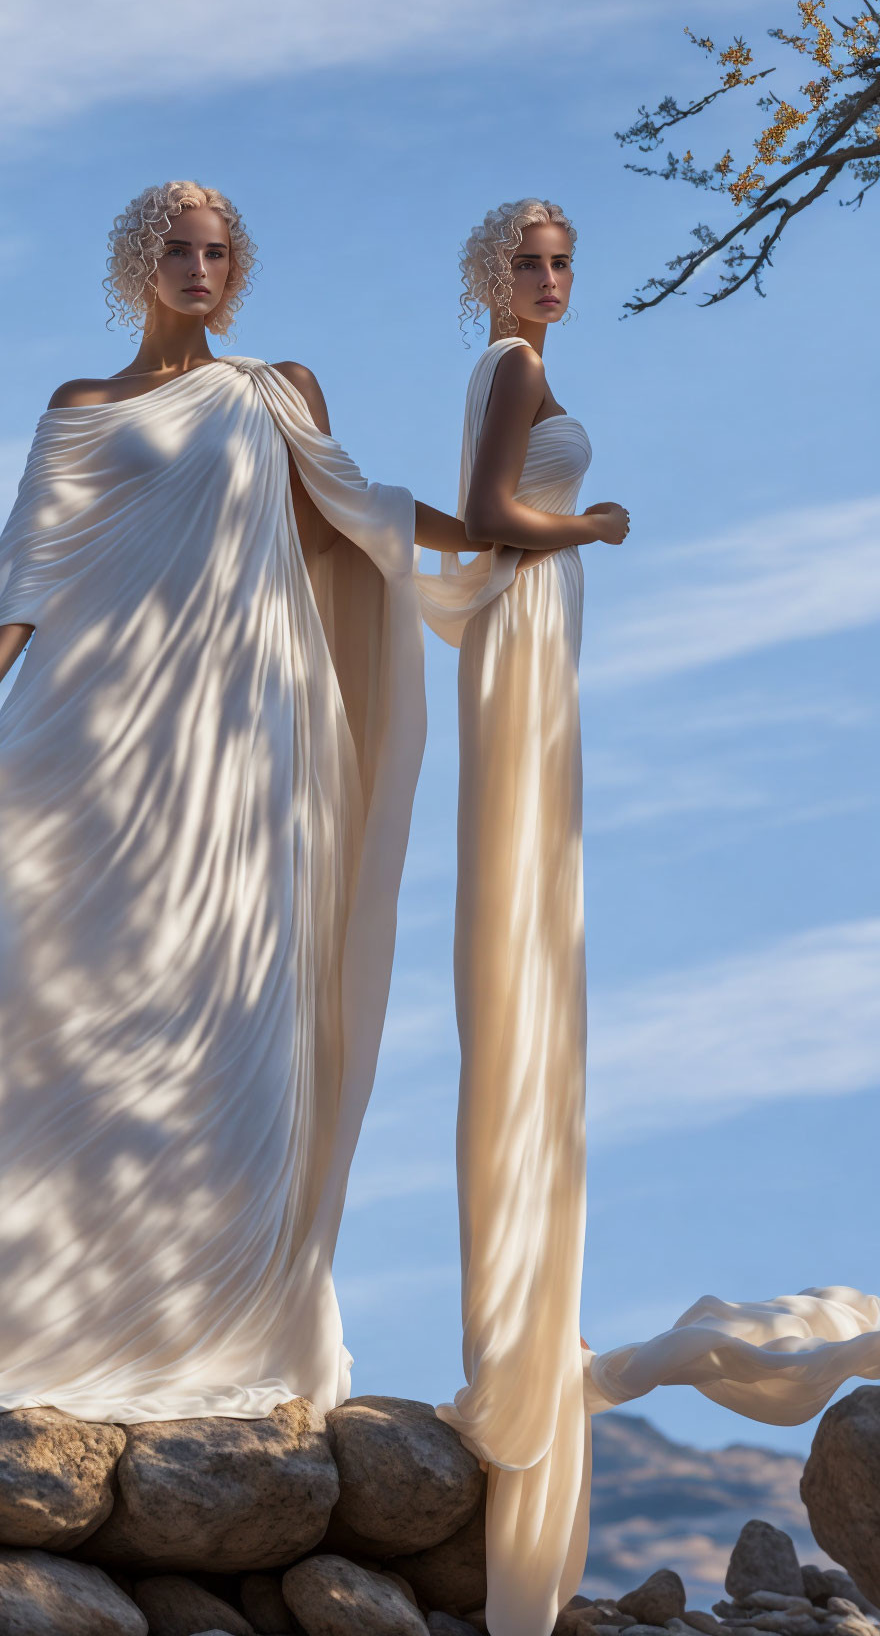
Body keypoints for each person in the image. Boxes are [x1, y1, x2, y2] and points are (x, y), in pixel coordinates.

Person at [0, 180, 472, 1458]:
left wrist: (491, 538)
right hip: (116, 739)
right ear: (138, 265)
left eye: (216, 252)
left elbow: (359, 511)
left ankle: (240, 1327)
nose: (197, 267)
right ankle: (60, 1318)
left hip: (258, 738)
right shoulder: (83, 408)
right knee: (88, 1009)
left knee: (247, 1017)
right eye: (176, 250)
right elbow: (35, 564)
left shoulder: (277, 390)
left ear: (236, 269)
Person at [418, 200, 880, 1636]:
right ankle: (519, 1381)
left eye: (563, 264)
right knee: (525, 943)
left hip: (535, 626)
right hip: (533, 603)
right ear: (490, 273)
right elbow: (497, 517)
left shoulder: (526, 366)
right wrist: (595, 522)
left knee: (543, 933)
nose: (550, 283)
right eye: (529, 262)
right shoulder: (505, 366)